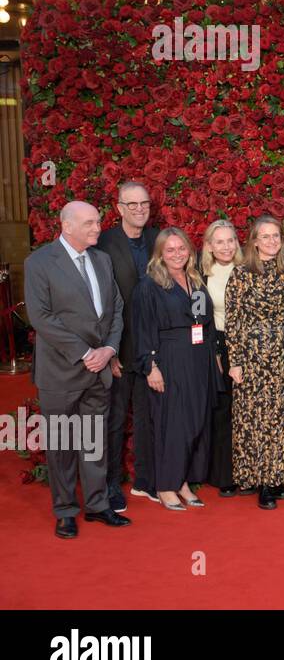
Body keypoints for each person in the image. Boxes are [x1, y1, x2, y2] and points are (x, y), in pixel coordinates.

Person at [25, 201, 128, 538]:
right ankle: (66, 510)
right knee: (62, 445)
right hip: (61, 371)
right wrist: (86, 353)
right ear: (67, 226)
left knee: (94, 442)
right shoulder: (39, 262)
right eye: (89, 223)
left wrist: (109, 349)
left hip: (98, 369)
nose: (97, 228)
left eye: (97, 221)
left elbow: (116, 308)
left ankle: (98, 505)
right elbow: (41, 318)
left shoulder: (101, 259)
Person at [132, 228, 218, 510]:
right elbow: (143, 330)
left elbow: (204, 323)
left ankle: (182, 481)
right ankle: (166, 485)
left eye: (181, 248)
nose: (177, 254)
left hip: (198, 358)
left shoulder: (195, 279)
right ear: (159, 254)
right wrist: (150, 366)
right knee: (172, 424)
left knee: (194, 422)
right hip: (169, 359)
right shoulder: (150, 285)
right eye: (170, 250)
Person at [225, 217, 284, 510]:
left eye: (276, 236)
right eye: (265, 236)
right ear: (254, 241)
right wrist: (235, 362)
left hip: (283, 354)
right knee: (256, 419)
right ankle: (262, 482)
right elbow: (233, 321)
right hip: (252, 356)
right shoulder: (242, 274)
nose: (271, 241)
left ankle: (279, 475)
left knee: (282, 417)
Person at [92, 180, 159, 511]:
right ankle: (111, 484)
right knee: (115, 419)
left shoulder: (157, 239)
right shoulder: (103, 244)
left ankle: (146, 482)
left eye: (143, 203)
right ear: (118, 208)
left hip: (151, 348)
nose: (139, 209)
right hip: (118, 348)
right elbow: (97, 302)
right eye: (131, 205)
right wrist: (109, 349)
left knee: (149, 417)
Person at [199, 220, 240, 498]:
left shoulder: (248, 269)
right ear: (209, 246)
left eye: (230, 240)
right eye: (220, 241)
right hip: (218, 346)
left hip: (249, 346)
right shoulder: (200, 276)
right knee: (222, 410)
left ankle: (250, 470)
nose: (226, 246)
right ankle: (225, 474)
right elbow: (199, 320)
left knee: (247, 411)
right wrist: (213, 352)